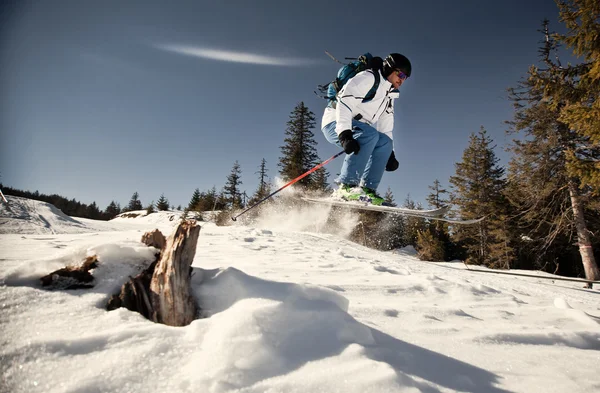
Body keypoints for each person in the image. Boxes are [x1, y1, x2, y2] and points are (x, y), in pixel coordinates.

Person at [321, 53, 411, 205]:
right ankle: (347, 186)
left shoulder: (390, 95)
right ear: (390, 68)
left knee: (385, 143)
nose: (402, 80)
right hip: (335, 122)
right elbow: (344, 102)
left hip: (358, 129)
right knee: (369, 135)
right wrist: (345, 134)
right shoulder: (369, 77)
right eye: (400, 74)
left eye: (405, 77)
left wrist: (390, 154)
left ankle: (368, 189)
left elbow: (386, 127)